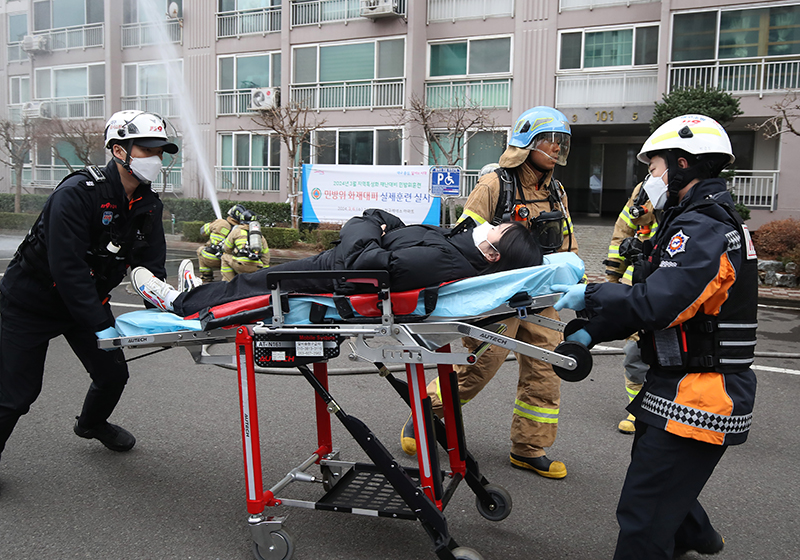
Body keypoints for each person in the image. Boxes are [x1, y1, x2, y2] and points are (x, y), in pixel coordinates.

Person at [552, 114, 757, 559]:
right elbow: (654, 301)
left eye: (655, 167)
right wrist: (588, 333)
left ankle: (669, 541)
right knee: (657, 471)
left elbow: (659, 304)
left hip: (702, 390)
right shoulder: (689, 220)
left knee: (644, 509)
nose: (650, 178)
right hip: (678, 381)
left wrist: (591, 293)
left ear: (683, 165)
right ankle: (696, 537)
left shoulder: (703, 229)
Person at [402, 106, 579, 480]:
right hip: (499, 295)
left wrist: (573, 282)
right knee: (483, 364)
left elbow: (567, 241)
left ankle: (529, 448)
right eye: (550, 141)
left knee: (547, 367)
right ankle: (425, 416)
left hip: (541, 295)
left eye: (561, 141)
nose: (557, 148)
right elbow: (465, 243)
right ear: (527, 144)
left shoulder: (556, 190)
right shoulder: (494, 185)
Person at [0, 110, 178, 462]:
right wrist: (101, 326)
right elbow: (67, 268)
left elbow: (149, 266)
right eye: (147, 150)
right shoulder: (77, 193)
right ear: (118, 151)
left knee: (112, 374)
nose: (156, 159)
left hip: (87, 302)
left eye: (161, 152)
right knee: (16, 395)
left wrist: (162, 315)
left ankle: (91, 424)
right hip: (30, 303)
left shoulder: (148, 204)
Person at [131, 208, 541, 317]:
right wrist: (372, 224)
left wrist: (363, 224)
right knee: (252, 281)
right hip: (337, 264)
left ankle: (178, 303)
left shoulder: (443, 261)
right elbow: (391, 227)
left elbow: (363, 262)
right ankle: (197, 296)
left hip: (330, 277)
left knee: (251, 288)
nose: (493, 225)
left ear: (493, 254)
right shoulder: (453, 246)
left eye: (499, 232)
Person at [604, 183, 658, 434]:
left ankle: (668, 409)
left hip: (677, 288)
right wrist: (613, 281)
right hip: (639, 285)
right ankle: (637, 408)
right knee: (635, 352)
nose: (654, 172)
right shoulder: (643, 190)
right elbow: (622, 234)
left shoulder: (695, 195)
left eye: (656, 164)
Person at [196, 205, 246, 283]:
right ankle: (231, 278)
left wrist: (213, 223)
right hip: (227, 261)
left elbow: (202, 231)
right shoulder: (241, 228)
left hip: (209, 257)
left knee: (200, 250)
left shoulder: (220, 222)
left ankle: (206, 276)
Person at [220, 210, 270, 281]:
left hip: (240, 264)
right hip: (257, 266)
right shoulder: (259, 235)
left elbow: (226, 248)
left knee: (224, 257)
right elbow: (266, 255)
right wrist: (264, 269)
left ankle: (230, 283)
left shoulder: (236, 231)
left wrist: (234, 254)